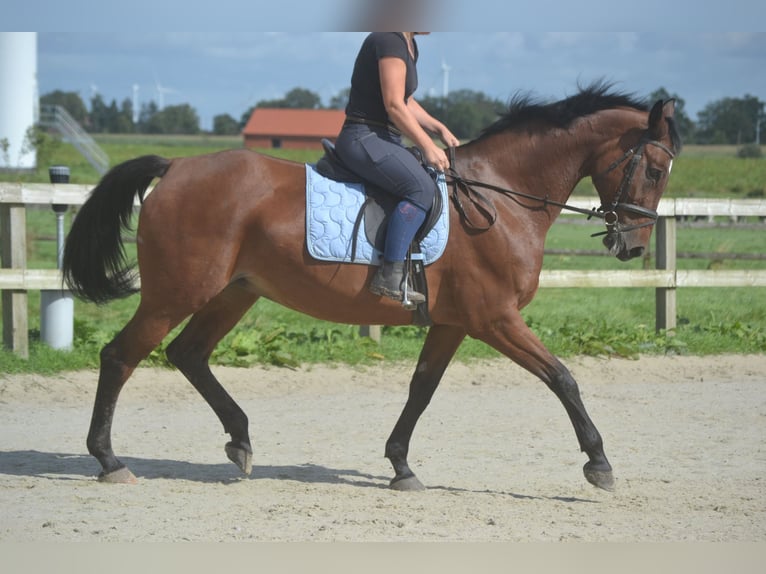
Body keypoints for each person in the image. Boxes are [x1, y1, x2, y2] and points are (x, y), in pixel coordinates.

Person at [334, 32, 460, 305]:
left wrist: (437, 127)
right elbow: (393, 105)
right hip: (364, 135)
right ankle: (390, 274)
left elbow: (406, 101)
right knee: (420, 188)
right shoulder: (389, 39)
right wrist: (427, 145)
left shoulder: (409, 44)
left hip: (385, 138)